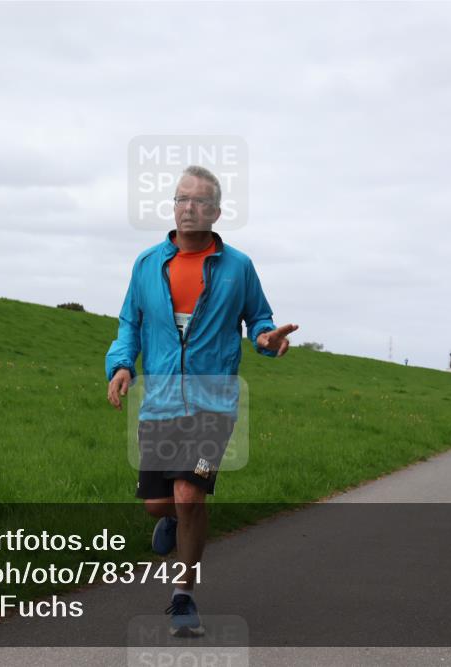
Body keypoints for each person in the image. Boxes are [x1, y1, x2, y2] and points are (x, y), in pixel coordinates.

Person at [105, 165, 297, 637]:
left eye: (199, 202)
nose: (188, 208)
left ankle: (183, 595)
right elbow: (130, 321)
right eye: (180, 199)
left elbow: (260, 322)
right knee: (158, 504)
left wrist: (269, 340)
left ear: (215, 211)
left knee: (190, 494)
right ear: (174, 206)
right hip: (160, 402)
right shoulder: (148, 263)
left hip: (214, 405)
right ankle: (170, 517)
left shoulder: (238, 267)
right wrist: (122, 364)